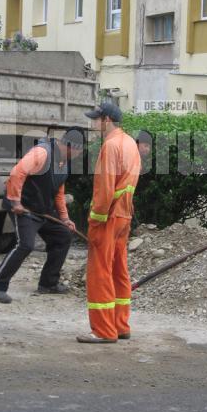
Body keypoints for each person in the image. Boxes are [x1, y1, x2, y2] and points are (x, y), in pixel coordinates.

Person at [0, 128, 85, 304]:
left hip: (43, 211)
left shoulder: (64, 162)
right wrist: (16, 202)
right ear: (72, 147)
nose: (80, 154)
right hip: (23, 208)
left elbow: (59, 192)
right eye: (80, 150)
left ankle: (48, 284)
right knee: (25, 245)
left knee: (63, 236)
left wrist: (64, 218)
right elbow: (17, 172)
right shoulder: (42, 153)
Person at [77, 103, 141, 343]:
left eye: (96, 119)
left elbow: (104, 188)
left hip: (109, 216)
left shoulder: (110, 145)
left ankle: (103, 330)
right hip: (124, 214)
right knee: (119, 270)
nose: (93, 123)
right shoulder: (130, 144)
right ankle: (120, 325)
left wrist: (95, 218)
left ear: (106, 120)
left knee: (100, 271)